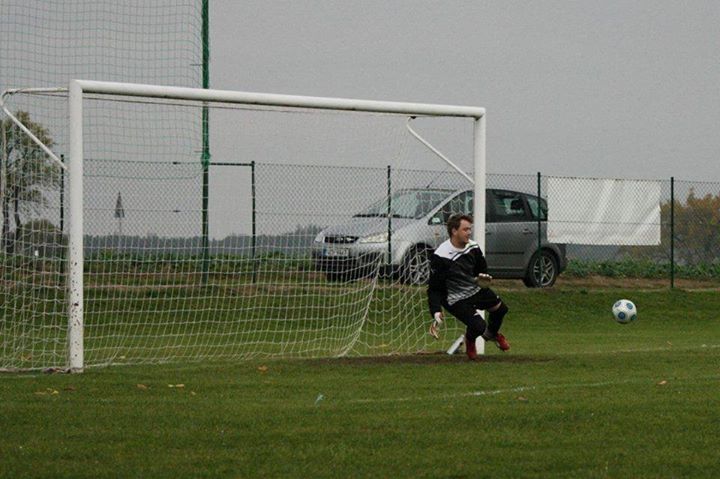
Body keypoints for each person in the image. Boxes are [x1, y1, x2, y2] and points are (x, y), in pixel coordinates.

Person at [427, 213, 510, 360]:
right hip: (455, 298)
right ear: (454, 231)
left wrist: (483, 278)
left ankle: (491, 335)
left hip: (475, 289)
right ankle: (470, 341)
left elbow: (481, 269)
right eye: (465, 229)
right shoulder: (441, 255)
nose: (469, 232)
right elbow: (434, 288)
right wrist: (436, 310)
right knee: (478, 326)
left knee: (501, 309)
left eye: (470, 229)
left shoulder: (473, 247)